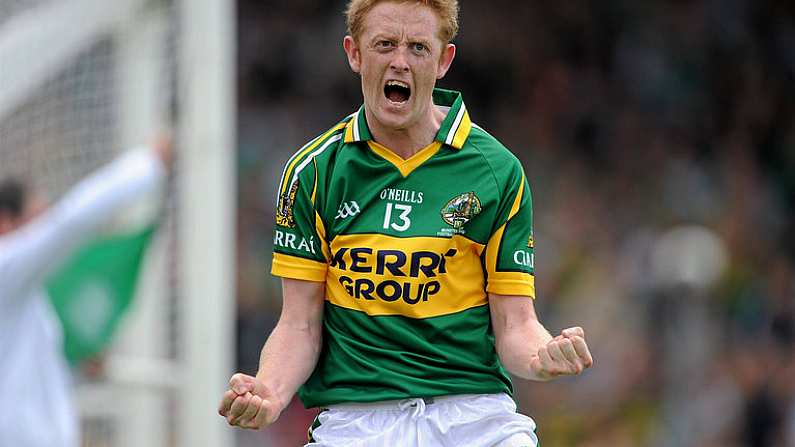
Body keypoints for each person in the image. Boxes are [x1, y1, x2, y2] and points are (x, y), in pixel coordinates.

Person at [219, 1, 593, 445]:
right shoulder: (314, 172)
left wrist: (542, 355)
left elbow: (515, 324)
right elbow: (299, 324)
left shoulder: (497, 171)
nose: (400, 60)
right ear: (354, 53)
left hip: (471, 416)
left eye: (418, 47)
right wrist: (270, 392)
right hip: (357, 422)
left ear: (443, 60)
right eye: (384, 44)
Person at [0, 138, 170, 447]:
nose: (43, 233)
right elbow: (71, 221)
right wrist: (148, 164)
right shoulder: (5, 266)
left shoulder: (23, 293)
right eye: (37, 220)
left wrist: (73, 366)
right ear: (6, 222)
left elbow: (22, 373)